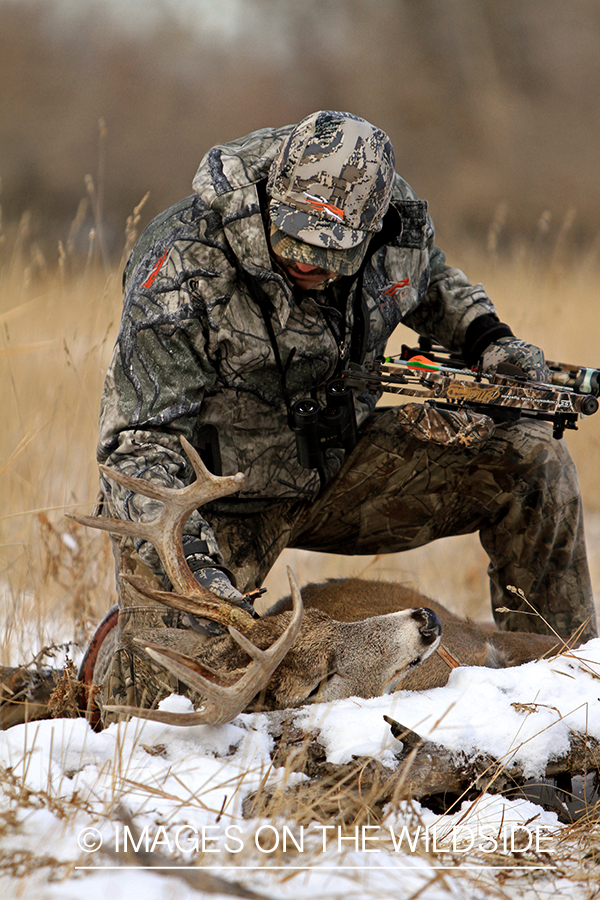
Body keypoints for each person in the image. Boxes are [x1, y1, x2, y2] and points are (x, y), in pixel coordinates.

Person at [95, 110, 596, 711]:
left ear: (372, 226)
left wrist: (489, 338)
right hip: (217, 503)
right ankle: (98, 660)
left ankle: (569, 691)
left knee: (532, 459)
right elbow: (138, 449)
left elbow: (426, 278)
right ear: (272, 191)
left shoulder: (393, 223)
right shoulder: (180, 263)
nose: (309, 258)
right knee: (166, 703)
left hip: (338, 466)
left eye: (333, 248)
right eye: (296, 235)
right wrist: (198, 570)